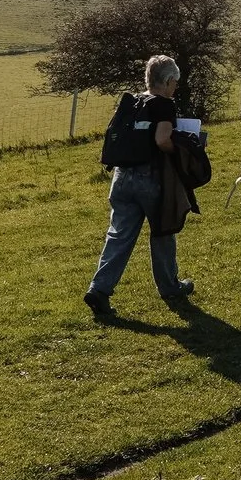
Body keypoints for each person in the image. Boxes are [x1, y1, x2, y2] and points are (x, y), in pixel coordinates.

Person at [84, 54, 193, 317]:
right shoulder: (164, 104)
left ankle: (99, 289)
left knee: (119, 235)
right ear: (167, 81)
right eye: (175, 82)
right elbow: (162, 139)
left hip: (121, 177)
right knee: (164, 231)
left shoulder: (133, 102)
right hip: (150, 177)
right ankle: (169, 286)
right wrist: (182, 149)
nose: (176, 87)